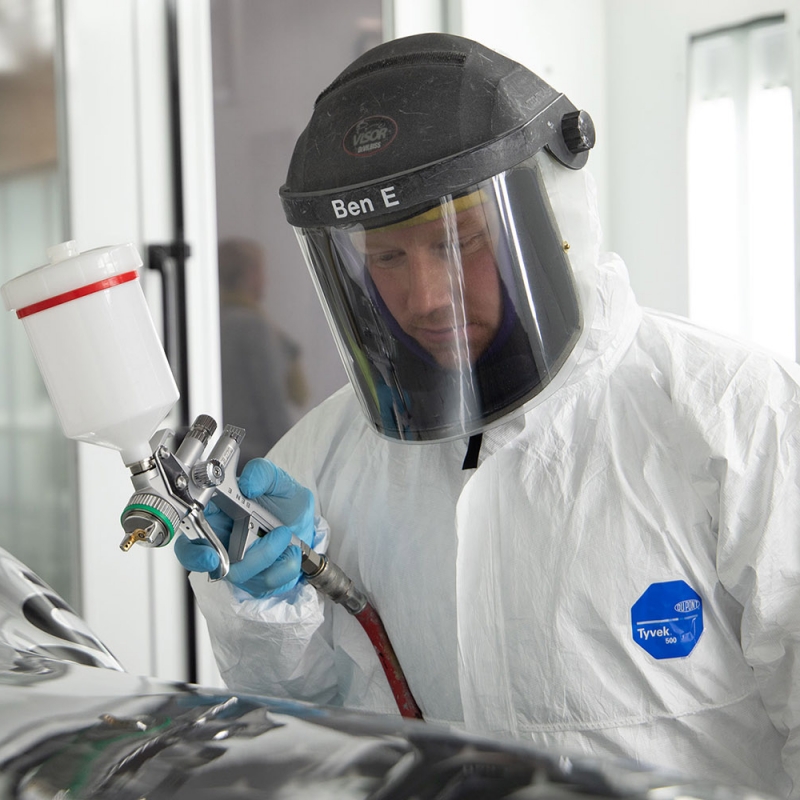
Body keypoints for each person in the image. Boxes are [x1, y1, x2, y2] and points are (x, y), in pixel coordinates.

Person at [175, 33, 800, 797]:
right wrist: (264, 614)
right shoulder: (324, 458)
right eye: (388, 259)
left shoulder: (734, 411)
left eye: (461, 242)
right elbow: (309, 731)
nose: (426, 297)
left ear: (554, 218)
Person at [217, 237, 309, 465]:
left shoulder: (213, 322)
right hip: (256, 457)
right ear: (250, 275)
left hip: (223, 454)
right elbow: (272, 401)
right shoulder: (253, 326)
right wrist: (294, 456)